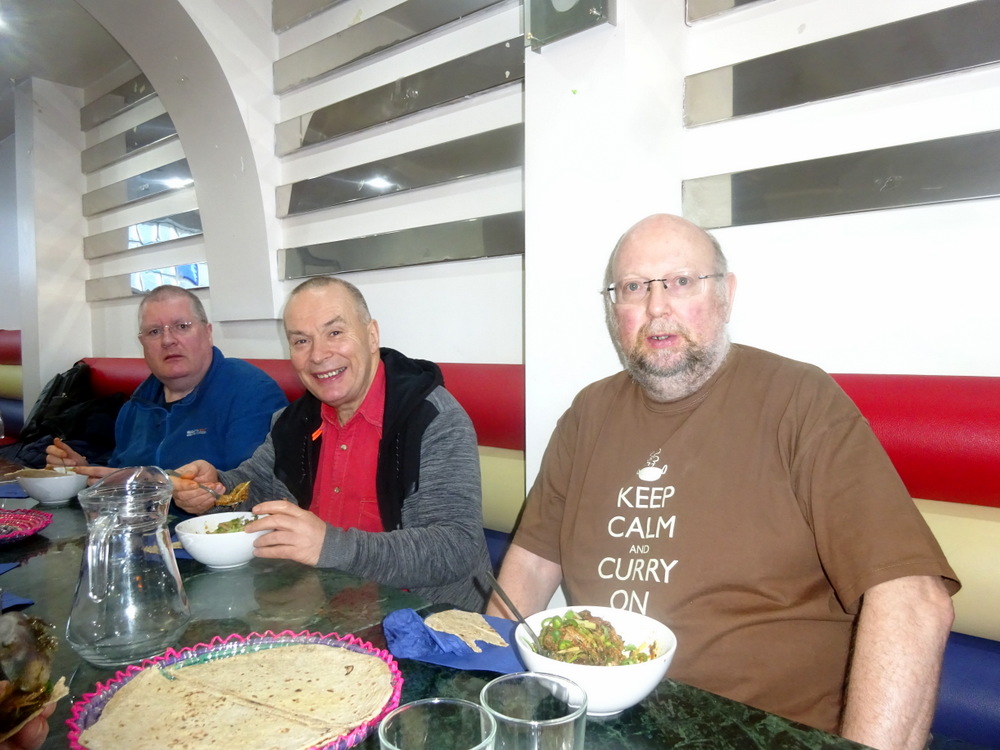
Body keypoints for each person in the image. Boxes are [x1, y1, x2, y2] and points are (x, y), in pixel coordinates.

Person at [488, 214, 958, 749]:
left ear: (726, 294)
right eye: (634, 287)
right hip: (606, 729)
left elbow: (913, 599)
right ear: (613, 308)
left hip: (766, 734)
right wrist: (485, 701)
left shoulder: (800, 400)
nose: (656, 307)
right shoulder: (588, 413)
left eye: (681, 281)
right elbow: (527, 569)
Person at [172, 276, 491, 611]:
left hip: (428, 621)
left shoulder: (433, 418)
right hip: (321, 611)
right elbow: (256, 489)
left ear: (371, 336)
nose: (318, 355)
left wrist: (330, 546)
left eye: (335, 333)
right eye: (301, 341)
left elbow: (455, 547)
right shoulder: (293, 423)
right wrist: (214, 490)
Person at [45, 285, 288, 491]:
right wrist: (84, 470)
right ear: (142, 343)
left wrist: (144, 481)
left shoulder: (251, 392)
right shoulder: (135, 406)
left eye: (182, 326)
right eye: (154, 331)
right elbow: (120, 475)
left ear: (208, 333)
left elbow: (254, 488)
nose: (168, 340)